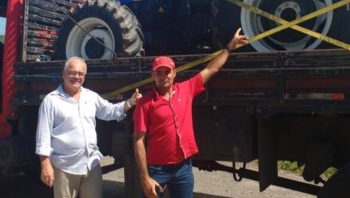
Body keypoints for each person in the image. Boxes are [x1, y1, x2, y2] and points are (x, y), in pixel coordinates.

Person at [133, 28, 248, 198]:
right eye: (159, 72)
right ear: (153, 75)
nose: (163, 76)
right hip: (157, 169)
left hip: (183, 168)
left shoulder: (186, 89)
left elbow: (211, 70)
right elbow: (138, 141)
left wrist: (229, 47)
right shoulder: (144, 103)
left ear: (174, 73)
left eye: (167, 72)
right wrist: (144, 178)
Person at [35, 56, 142, 198]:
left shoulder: (91, 97)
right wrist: (45, 164)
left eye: (80, 74)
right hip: (64, 167)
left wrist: (129, 103)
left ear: (85, 76)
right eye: (72, 73)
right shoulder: (51, 100)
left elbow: (108, 111)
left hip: (91, 166)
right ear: (64, 74)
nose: (76, 77)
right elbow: (43, 134)